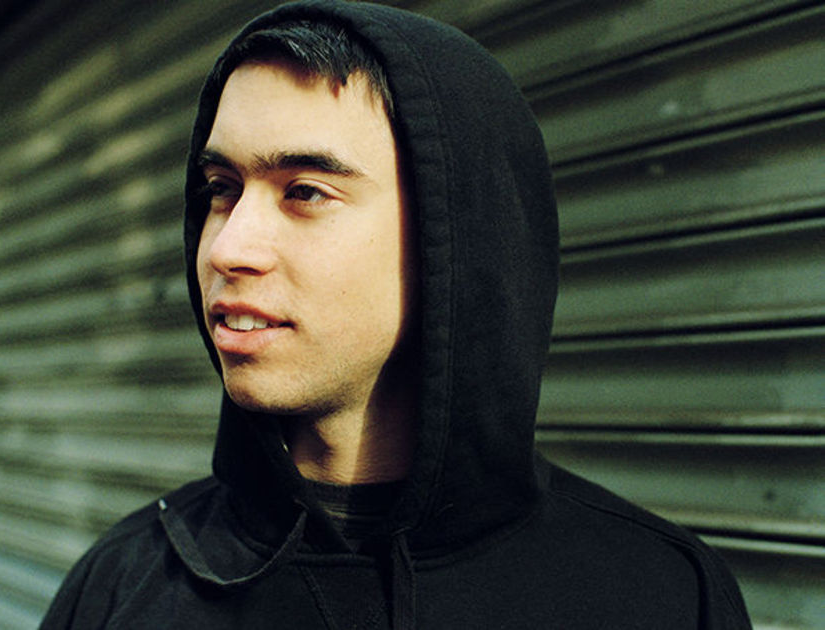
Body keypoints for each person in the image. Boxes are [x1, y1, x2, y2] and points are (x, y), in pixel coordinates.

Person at [41, 1, 751, 628]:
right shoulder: (124, 584)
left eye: (305, 192)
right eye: (222, 188)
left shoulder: (656, 593)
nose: (227, 247)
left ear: (456, 234)